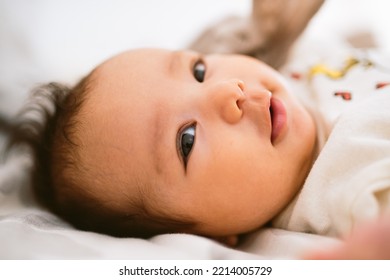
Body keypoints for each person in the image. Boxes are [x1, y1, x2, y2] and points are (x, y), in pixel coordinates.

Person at [9, 47, 390, 258]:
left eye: (199, 70)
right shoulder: (348, 184)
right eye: (186, 140)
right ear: (214, 236)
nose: (229, 91)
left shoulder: (296, 71)